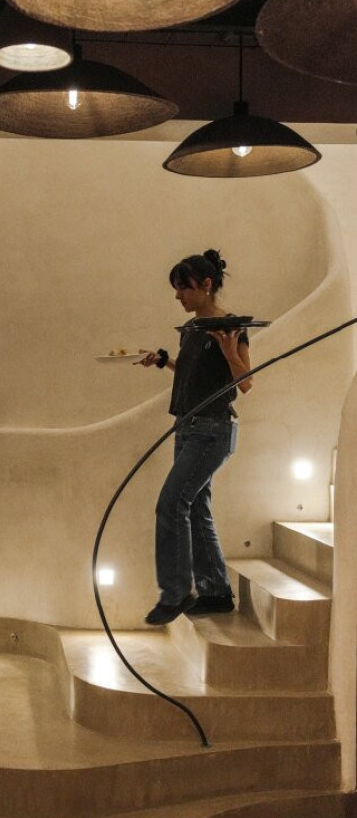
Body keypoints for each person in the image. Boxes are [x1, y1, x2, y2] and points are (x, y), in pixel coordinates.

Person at [137, 249, 253, 626]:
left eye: (183, 288)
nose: (178, 296)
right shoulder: (190, 330)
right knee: (196, 508)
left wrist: (227, 348)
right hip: (186, 427)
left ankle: (175, 593)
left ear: (206, 285)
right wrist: (163, 361)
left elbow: (246, 382)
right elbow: (193, 376)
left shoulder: (231, 326)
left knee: (171, 505)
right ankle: (216, 592)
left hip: (212, 428)